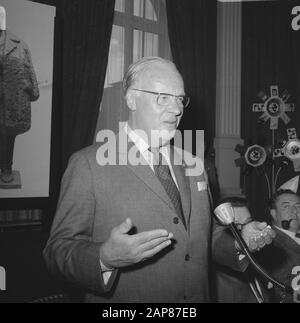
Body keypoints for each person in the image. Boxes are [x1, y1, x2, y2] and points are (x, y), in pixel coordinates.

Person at [43, 57, 275, 303]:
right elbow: (57, 251)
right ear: (132, 98)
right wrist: (103, 258)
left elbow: (206, 237)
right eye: (163, 97)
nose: (176, 110)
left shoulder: (196, 165)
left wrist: (241, 243)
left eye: (179, 99)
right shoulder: (88, 164)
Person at [214, 197, 274, 303]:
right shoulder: (213, 277)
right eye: (235, 225)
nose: (244, 230)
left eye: (248, 223)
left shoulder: (259, 262)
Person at [258, 189, 300, 303]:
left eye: (298, 206)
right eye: (286, 207)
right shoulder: (268, 243)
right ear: (274, 214)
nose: (294, 211)